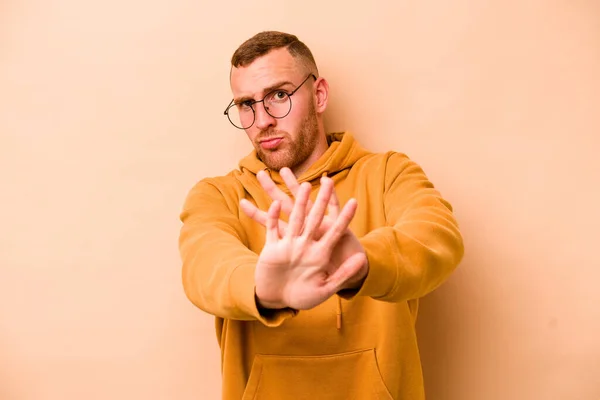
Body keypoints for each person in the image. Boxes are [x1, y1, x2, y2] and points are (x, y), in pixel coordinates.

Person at [178, 30, 464, 400]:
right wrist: (265, 288)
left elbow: (436, 238)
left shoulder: (389, 173)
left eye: (278, 95)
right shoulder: (218, 195)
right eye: (246, 104)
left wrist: (360, 263)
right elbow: (204, 264)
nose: (262, 119)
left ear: (319, 94)